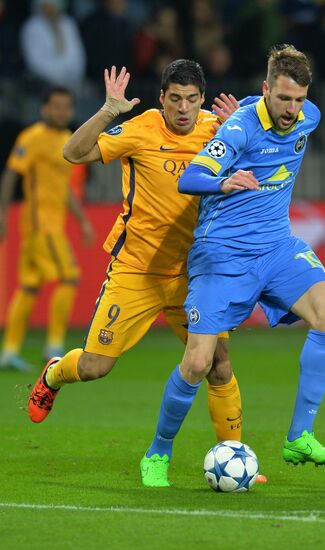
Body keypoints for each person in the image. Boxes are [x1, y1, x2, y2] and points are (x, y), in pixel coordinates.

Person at [27, 61, 246, 488]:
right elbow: (72, 153)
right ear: (162, 98)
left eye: (192, 99)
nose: (183, 109)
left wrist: (243, 130)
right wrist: (109, 110)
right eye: (175, 99)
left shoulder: (217, 130)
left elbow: (260, 170)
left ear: (202, 99)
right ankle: (55, 372)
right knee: (94, 367)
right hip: (137, 271)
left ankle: (236, 456)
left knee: (218, 365)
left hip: (194, 275)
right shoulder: (140, 129)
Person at [143, 44, 325, 487]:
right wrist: (224, 180)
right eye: (283, 98)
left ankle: (300, 435)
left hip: (275, 248)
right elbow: (189, 178)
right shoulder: (237, 130)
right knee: (197, 363)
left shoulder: (309, 117)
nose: (293, 109)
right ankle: (158, 451)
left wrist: (259, 108)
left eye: (299, 99)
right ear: (265, 89)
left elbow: (285, 114)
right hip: (222, 255)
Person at [0, 86, 94, 371]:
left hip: (52, 223)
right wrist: (3, 212)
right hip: (42, 223)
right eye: (55, 106)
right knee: (70, 277)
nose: (61, 111)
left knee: (29, 286)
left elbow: (64, 189)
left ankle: (9, 352)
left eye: (66, 106)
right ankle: (53, 345)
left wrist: (82, 220)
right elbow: (11, 174)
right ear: (44, 109)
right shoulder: (33, 137)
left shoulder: (67, 139)